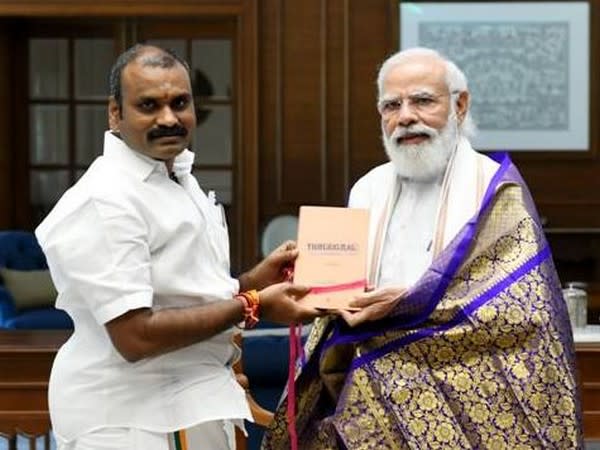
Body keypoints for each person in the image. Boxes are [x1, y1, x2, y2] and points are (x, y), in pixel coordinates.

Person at [262, 47, 582, 449]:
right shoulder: (368, 188)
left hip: (470, 387)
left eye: (423, 101)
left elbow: (524, 310)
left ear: (460, 106)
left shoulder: (494, 188)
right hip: (372, 394)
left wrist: (412, 306)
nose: (406, 116)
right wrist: (334, 300)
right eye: (391, 105)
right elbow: (344, 287)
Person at [35, 43, 322, 450]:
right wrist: (253, 303)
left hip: (188, 404)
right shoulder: (105, 200)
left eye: (179, 103)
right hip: (129, 422)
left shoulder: (176, 177)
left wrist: (251, 281)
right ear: (115, 113)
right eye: (148, 105)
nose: (168, 118)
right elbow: (135, 336)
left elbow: (183, 295)